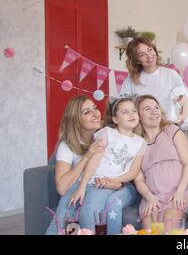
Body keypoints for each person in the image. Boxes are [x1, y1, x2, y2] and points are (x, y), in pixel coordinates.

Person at [45, 96, 137, 235]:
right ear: (76, 119)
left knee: (81, 204)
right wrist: (88, 154)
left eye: (94, 108)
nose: (95, 114)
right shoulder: (67, 146)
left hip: (108, 184)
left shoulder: (109, 133)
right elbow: (62, 188)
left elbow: (125, 164)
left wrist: (118, 184)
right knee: (67, 209)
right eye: (86, 112)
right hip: (83, 186)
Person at [68, 96, 145, 234]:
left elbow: (133, 171)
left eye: (134, 111)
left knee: (113, 205)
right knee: (90, 207)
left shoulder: (140, 142)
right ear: (115, 119)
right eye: (125, 112)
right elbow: (94, 161)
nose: (132, 114)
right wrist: (82, 186)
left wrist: (113, 181)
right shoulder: (107, 133)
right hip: (98, 183)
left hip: (122, 185)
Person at [133, 94, 188, 230]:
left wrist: (180, 192)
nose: (154, 112)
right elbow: (139, 179)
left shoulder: (172, 130)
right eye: (147, 109)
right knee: (149, 224)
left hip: (183, 190)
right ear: (138, 116)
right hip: (155, 196)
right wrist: (150, 198)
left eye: (156, 108)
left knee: (170, 218)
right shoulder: (136, 144)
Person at [120, 37, 188, 125]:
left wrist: (177, 123)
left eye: (150, 50)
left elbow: (184, 103)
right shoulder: (130, 80)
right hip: (141, 130)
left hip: (166, 127)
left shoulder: (171, 75)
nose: (149, 56)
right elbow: (122, 106)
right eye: (142, 54)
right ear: (137, 60)